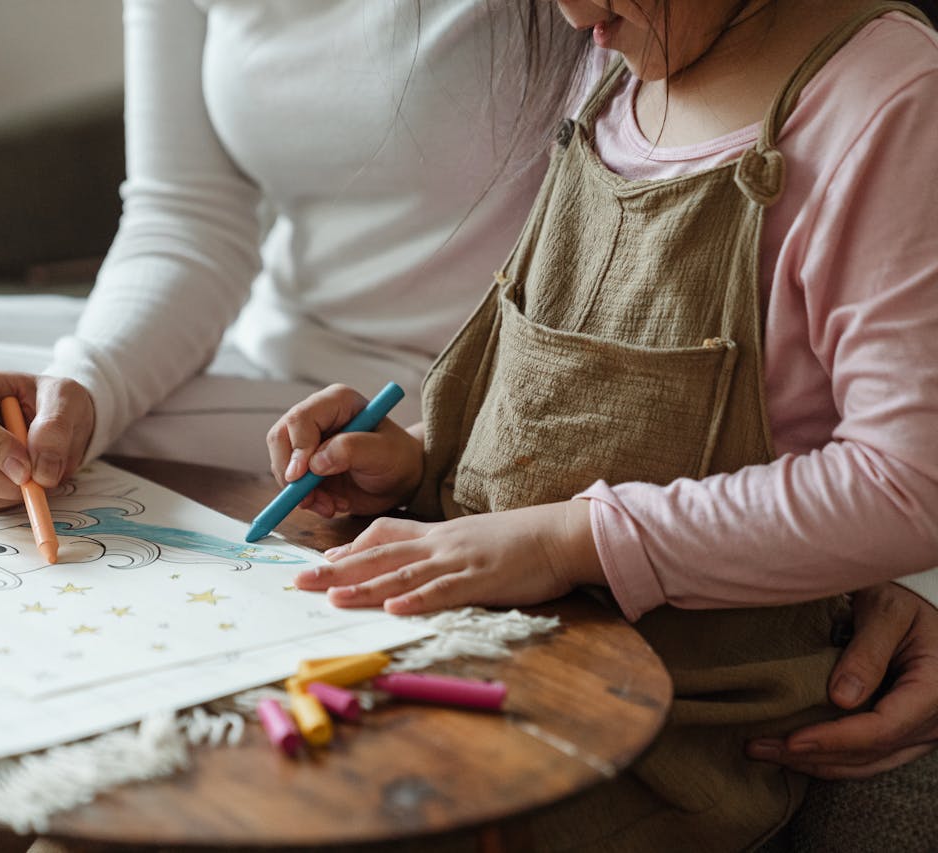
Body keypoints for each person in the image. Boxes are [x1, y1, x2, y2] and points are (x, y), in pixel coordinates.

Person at [263, 1, 938, 849]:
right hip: (479, 640)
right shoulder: (614, 68)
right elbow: (583, 421)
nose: (571, 8)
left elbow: (908, 485)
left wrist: (563, 542)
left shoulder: (889, 101)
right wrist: (428, 465)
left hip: (664, 716)